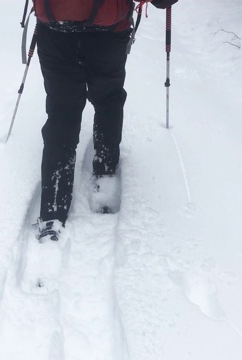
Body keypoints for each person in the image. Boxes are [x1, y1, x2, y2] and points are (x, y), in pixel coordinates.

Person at [34, 0, 178, 241]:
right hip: (108, 33)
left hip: (55, 32)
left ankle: (52, 212)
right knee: (108, 99)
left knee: (62, 112)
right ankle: (105, 170)